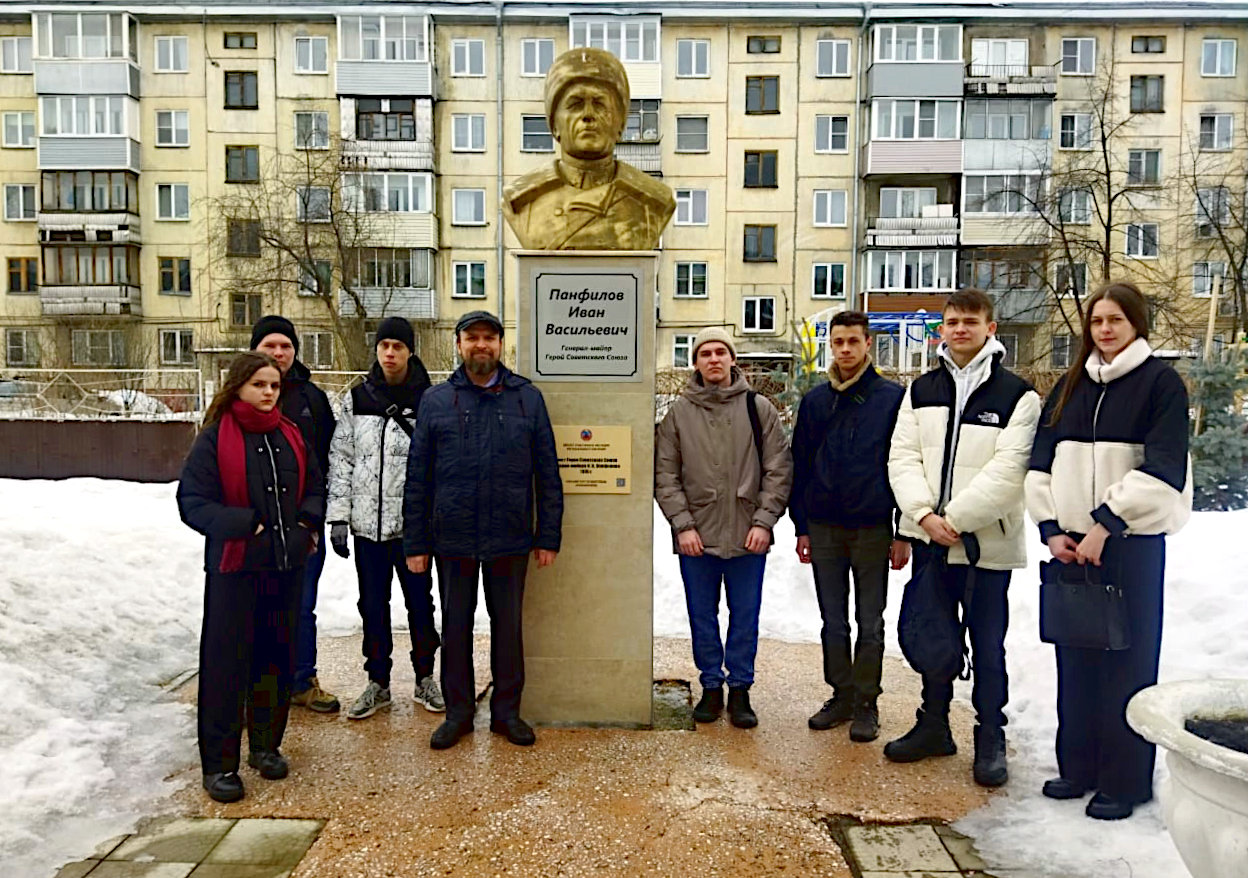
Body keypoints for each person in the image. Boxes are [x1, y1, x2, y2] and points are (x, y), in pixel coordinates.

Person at [1025, 282, 1191, 820]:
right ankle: (1078, 768)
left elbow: (1164, 471)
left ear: (1136, 323)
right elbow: (1039, 465)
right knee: (1076, 663)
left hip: (1130, 547)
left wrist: (1106, 523)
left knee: (1127, 664)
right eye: (1097, 321)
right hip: (1072, 549)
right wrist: (1052, 528)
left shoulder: (1160, 384)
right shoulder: (1070, 386)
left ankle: (1125, 782)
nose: (1104, 329)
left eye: (1115, 319)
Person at [886, 288, 1041, 787]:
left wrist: (954, 519)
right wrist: (923, 515)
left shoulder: (1018, 395)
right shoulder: (921, 389)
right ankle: (934, 725)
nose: (960, 329)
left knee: (987, 645)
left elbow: (1010, 470)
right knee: (935, 634)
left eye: (970, 322)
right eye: (952, 322)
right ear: (942, 329)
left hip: (986, 546)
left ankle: (989, 736)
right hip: (932, 542)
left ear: (990, 329)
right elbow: (902, 457)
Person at [403, 311, 563, 750]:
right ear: (458, 345)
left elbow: (548, 473)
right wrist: (415, 542)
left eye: (489, 338)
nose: (481, 345)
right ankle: (458, 714)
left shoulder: (527, 399)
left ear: (500, 345)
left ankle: (506, 713)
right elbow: (418, 477)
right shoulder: (437, 401)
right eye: (472, 337)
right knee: (455, 628)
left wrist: (548, 535)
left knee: (507, 627)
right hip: (452, 538)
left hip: (509, 536)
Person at [177, 352, 325, 803]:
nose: (268, 393)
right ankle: (220, 764)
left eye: (274, 386)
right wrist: (244, 523)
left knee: (274, 658)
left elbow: (315, 486)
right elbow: (192, 503)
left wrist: (306, 524)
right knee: (226, 665)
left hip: (285, 566)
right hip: (235, 570)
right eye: (259, 384)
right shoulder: (215, 438)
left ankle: (265, 746)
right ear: (239, 386)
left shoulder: (291, 434)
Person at [655, 328, 793, 729]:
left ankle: (741, 689)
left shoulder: (758, 408)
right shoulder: (679, 414)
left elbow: (778, 469)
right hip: (696, 537)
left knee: (745, 616)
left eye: (720, 352)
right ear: (696, 362)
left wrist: (764, 521)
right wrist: (683, 526)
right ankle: (711, 686)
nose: (714, 359)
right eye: (705, 353)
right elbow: (666, 474)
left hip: (748, 535)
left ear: (733, 359)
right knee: (702, 616)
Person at [790, 311, 908, 743]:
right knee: (833, 620)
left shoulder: (891, 398)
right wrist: (801, 525)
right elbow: (800, 464)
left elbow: (904, 466)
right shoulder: (815, 401)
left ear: (867, 344)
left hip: (872, 526)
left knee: (870, 621)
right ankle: (840, 694)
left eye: (853, 341)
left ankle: (866, 702)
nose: (844, 349)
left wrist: (903, 531)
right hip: (823, 526)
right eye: (838, 342)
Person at [326, 317, 444, 721]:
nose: (390, 353)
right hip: (367, 528)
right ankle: (377, 682)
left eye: (398, 346)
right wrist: (339, 517)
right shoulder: (357, 398)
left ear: (410, 351)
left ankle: (425, 677)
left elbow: (438, 465)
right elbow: (341, 458)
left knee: (420, 605)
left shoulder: (430, 399)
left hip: (413, 530)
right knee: (372, 606)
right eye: (384, 346)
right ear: (376, 350)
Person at [251, 315, 340, 714]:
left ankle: (302, 680)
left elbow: (327, 461)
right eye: (269, 345)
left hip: (302, 525)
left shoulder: (312, 399)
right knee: (254, 608)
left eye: (285, 346)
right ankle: (254, 689)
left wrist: (314, 519)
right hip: (254, 528)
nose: (278, 353)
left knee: (301, 606)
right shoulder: (239, 395)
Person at [502, 47, 675, 250]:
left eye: (600, 104)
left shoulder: (653, 200)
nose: (588, 115)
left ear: (620, 124)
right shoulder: (521, 200)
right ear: (554, 124)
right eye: (575, 104)